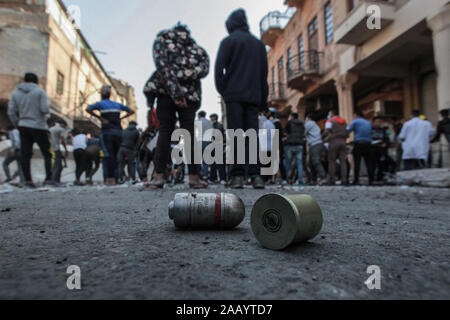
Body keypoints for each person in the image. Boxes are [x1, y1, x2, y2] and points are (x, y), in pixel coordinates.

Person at [143, 23, 210, 189]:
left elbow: (162, 67)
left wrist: (174, 89)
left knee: (165, 131)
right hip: (191, 95)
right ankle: (193, 177)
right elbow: (204, 69)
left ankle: (159, 176)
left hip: (165, 92)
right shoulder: (198, 50)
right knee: (188, 133)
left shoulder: (162, 40)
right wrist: (184, 79)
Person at [215, 9, 268, 189]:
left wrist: (225, 92)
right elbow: (263, 75)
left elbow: (218, 70)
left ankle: (237, 176)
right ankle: (256, 175)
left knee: (236, 135)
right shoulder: (259, 45)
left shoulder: (229, 41)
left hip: (234, 95)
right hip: (253, 96)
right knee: (252, 135)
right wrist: (263, 101)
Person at [7, 73, 52, 188]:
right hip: (39, 126)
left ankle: (28, 181)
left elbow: (11, 111)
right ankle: (48, 179)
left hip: (23, 125)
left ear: (24, 80)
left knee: (25, 154)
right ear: (36, 81)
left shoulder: (16, 92)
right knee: (47, 153)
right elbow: (44, 109)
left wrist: (17, 123)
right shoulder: (40, 92)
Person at [86, 85, 134, 186]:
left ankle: (110, 179)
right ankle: (115, 180)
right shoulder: (117, 105)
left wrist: (100, 118)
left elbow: (88, 109)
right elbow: (131, 111)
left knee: (108, 156)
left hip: (107, 133)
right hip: (118, 133)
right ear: (110, 94)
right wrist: (122, 118)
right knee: (116, 157)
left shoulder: (101, 104)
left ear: (102, 95)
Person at [348, 111, 375, 185]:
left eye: (353, 116)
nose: (353, 117)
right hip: (368, 143)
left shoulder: (355, 121)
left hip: (359, 144)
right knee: (369, 163)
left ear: (356, 115)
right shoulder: (368, 122)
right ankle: (371, 180)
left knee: (357, 162)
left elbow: (348, 130)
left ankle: (356, 180)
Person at [323, 110, 348, 186]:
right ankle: (344, 180)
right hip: (343, 142)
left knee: (332, 161)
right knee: (343, 161)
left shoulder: (330, 121)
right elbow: (347, 132)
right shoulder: (344, 122)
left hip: (333, 142)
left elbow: (326, 131)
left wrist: (323, 138)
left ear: (332, 114)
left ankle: (332, 179)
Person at [284, 113, 306, 186]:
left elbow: (286, 133)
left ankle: (288, 179)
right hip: (299, 145)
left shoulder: (289, 123)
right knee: (299, 163)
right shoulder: (302, 124)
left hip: (290, 144)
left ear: (292, 117)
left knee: (288, 163)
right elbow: (303, 133)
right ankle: (300, 179)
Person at [305, 114, 327, 185]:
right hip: (317, 144)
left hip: (315, 144)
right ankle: (313, 179)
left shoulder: (309, 123)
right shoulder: (315, 124)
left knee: (315, 161)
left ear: (308, 118)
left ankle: (323, 177)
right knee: (311, 163)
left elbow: (303, 132)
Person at [371, 117, 391, 185]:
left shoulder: (383, 130)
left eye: (380, 122)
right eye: (377, 122)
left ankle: (380, 178)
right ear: (373, 122)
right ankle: (372, 178)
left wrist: (385, 143)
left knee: (382, 164)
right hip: (373, 150)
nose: (378, 123)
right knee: (372, 165)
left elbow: (387, 139)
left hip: (381, 150)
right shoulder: (370, 130)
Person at [259, 110, 276, 183]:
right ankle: (268, 179)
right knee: (268, 164)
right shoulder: (271, 124)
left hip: (262, 146)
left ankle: (263, 179)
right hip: (270, 146)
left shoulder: (261, 123)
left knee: (263, 164)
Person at [49, 120, 68, 186]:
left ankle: (50, 179)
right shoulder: (61, 129)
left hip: (49, 149)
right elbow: (62, 140)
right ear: (63, 124)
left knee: (53, 165)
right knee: (57, 166)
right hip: (56, 149)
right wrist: (66, 150)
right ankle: (55, 181)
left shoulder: (50, 129)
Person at [209, 113, 227, 184]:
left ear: (214, 118)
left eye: (211, 118)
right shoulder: (213, 125)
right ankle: (214, 178)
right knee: (214, 163)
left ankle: (221, 178)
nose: (211, 119)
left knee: (219, 163)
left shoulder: (218, 125)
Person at [196, 111, 213, 180]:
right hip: (208, 141)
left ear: (199, 115)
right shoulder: (210, 122)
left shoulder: (198, 121)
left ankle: (198, 174)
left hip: (200, 141)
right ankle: (205, 175)